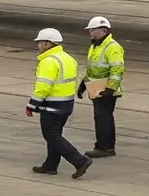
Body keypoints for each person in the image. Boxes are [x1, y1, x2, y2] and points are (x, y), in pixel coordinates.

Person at [25, 28, 93, 179]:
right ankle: (50, 165)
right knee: (55, 135)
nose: (38, 45)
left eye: (40, 42)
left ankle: (80, 161)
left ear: (49, 43)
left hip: (52, 106)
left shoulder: (49, 62)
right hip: (67, 104)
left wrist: (31, 105)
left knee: (52, 136)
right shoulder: (68, 58)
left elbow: (43, 87)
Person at [78, 15, 125, 158]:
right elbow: (93, 68)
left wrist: (110, 89)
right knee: (104, 117)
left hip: (105, 89)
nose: (91, 33)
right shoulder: (95, 46)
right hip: (96, 87)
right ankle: (107, 146)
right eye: (90, 30)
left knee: (102, 118)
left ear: (104, 30)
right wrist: (84, 84)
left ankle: (104, 147)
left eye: (94, 30)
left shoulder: (112, 47)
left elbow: (117, 69)